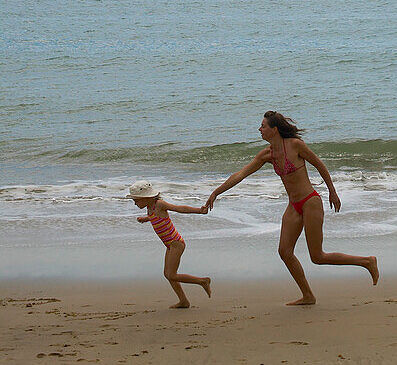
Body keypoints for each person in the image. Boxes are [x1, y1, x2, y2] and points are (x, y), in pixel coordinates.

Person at [204, 111, 378, 305]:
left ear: (274, 129)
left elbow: (319, 164)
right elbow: (240, 174)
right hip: (293, 206)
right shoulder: (267, 154)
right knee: (284, 252)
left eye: (263, 126)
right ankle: (308, 296)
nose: (259, 129)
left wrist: (332, 191)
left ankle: (367, 261)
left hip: (310, 202)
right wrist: (216, 192)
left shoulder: (295, 146)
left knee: (318, 256)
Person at [129, 179, 212, 308]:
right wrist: (146, 219)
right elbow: (156, 217)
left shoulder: (160, 204)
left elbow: (179, 208)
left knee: (172, 275)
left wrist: (199, 211)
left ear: (146, 197)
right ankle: (183, 301)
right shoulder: (150, 207)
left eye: (136, 200)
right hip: (169, 245)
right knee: (168, 275)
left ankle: (203, 281)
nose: (135, 203)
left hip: (176, 243)